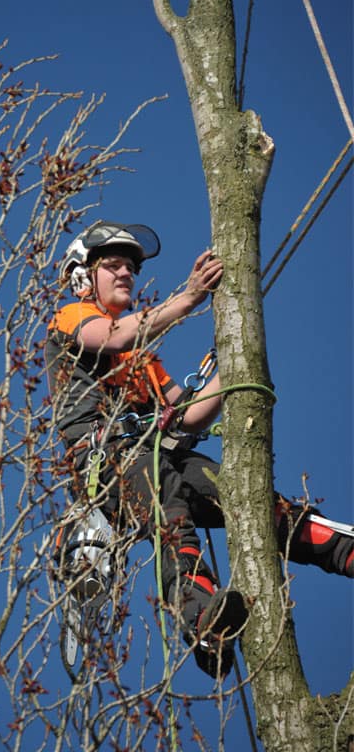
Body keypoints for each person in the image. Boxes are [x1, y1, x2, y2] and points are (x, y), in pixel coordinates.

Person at [45, 220, 354, 678]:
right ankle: (203, 616)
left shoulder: (140, 359)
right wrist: (189, 297)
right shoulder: (71, 317)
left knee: (244, 494)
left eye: (130, 267)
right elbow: (113, 336)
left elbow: (186, 415)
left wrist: (236, 364)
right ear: (81, 276)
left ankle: (343, 550)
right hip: (108, 459)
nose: (126, 273)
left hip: (156, 455)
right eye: (113, 265)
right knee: (169, 508)